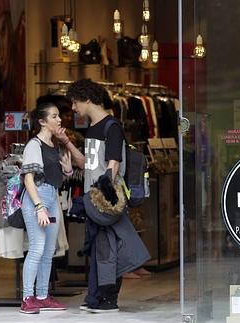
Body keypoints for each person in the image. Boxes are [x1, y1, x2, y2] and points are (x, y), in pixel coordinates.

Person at [55, 78, 150, 313]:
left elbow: (113, 163)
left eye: (75, 102)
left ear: (87, 99)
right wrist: (67, 142)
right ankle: (97, 297)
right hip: (93, 200)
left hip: (106, 201)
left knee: (109, 249)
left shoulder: (112, 127)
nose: (74, 107)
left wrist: (105, 190)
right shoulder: (93, 128)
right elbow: (88, 163)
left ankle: (108, 300)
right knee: (99, 249)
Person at [19, 102, 72, 314]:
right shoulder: (34, 145)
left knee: (48, 250)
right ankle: (27, 297)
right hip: (37, 198)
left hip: (52, 197)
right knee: (37, 248)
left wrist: (67, 171)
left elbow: (54, 175)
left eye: (58, 116)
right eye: (54, 116)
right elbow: (28, 180)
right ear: (42, 121)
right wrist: (39, 206)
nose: (59, 120)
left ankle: (42, 295)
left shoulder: (53, 146)